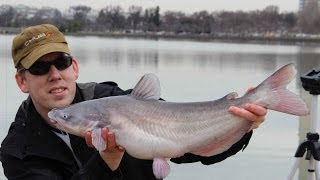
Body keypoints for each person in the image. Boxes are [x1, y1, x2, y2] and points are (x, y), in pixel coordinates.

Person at [0, 24, 267, 180]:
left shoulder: (109, 97)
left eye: (62, 62)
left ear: (75, 68)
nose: (55, 75)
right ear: (22, 82)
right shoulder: (17, 149)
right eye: (39, 68)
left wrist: (242, 123)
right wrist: (107, 161)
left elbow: (193, 148)